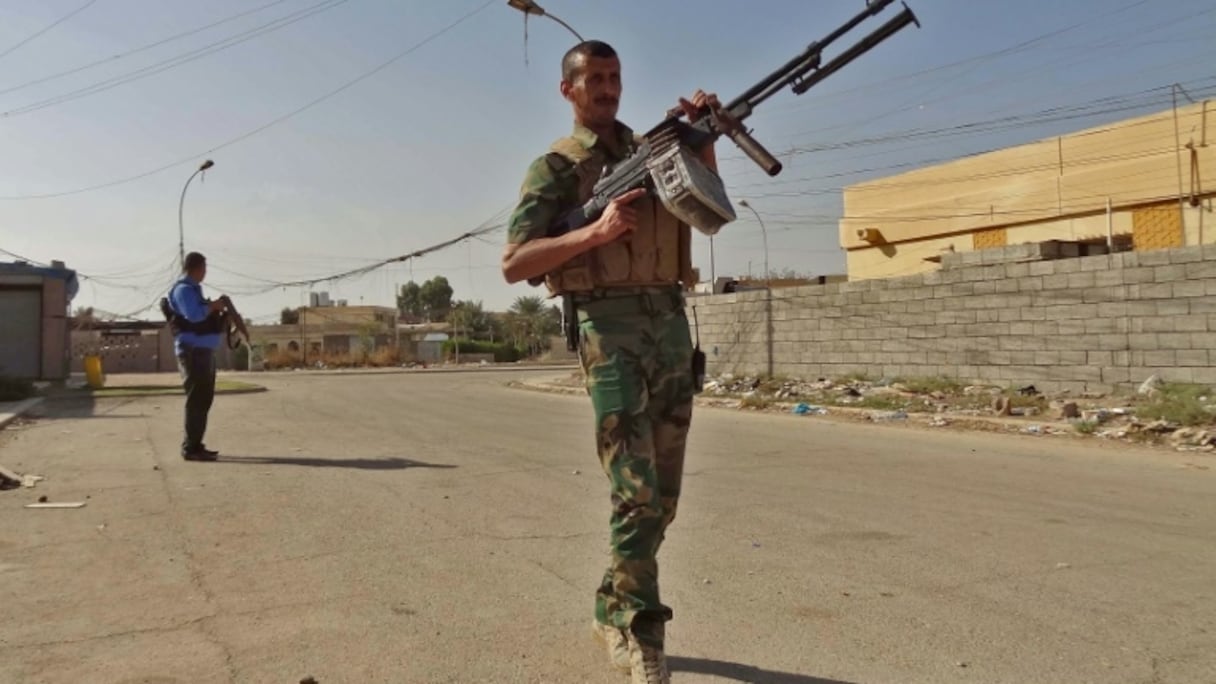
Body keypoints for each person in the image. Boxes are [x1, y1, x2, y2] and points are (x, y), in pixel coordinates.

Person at [501, 39, 721, 683]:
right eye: (593, 79)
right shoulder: (555, 168)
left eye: (614, 77)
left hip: (670, 325)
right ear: (568, 91)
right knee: (636, 491)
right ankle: (640, 632)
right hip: (609, 330)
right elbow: (515, 263)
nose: (606, 88)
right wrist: (593, 233)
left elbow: (709, 218)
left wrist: (704, 141)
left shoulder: (654, 149)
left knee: (665, 500)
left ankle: (611, 601)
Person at [166, 252, 226, 461]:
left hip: (203, 352)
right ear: (196, 268)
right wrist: (213, 307)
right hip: (192, 352)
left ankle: (195, 444)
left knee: (203, 399)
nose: (205, 272)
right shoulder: (183, 290)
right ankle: (190, 448)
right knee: (197, 400)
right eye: (204, 268)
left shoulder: (194, 290)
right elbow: (193, 314)